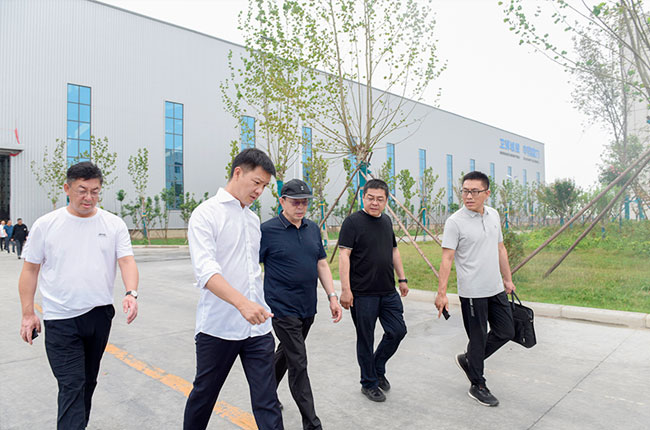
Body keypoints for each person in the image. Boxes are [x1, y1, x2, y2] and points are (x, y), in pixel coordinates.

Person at [18, 161, 139, 429]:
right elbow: (30, 270)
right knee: (72, 384)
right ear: (67, 188)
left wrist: (131, 293)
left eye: (95, 192)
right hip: (60, 318)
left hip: (99, 315)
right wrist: (28, 313)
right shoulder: (46, 224)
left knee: (87, 382)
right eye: (82, 191)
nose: (89, 198)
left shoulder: (113, 224)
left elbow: (127, 261)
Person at [183, 148, 283, 430]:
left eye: (264, 186)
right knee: (204, 396)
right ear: (238, 172)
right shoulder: (206, 214)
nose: (259, 191)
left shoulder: (252, 220)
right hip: (219, 327)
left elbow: (252, 271)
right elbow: (206, 271)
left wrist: (257, 304)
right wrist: (242, 304)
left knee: (267, 400)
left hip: (258, 328)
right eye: (256, 182)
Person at [260, 179, 342, 430]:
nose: (301, 207)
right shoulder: (267, 231)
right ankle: (312, 424)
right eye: (295, 202)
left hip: (307, 307)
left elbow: (321, 263)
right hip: (281, 308)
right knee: (298, 362)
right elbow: (251, 266)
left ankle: (265, 394)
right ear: (282, 201)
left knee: (287, 353)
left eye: (305, 202)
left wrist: (332, 296)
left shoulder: (312, 229)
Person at [435, 170, 515, 407]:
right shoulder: (455, 222)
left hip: (495, 288)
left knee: (506, 331)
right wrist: (441, 293)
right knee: (478, 339)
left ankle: (470, 359)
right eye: (465, 191)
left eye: (474, 191)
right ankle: (478, 384)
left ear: (487, 193)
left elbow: (500, 249)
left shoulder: (493, 215)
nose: (468, 196)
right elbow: (447, 258)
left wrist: (507, 279)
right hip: (472, 292)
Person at [338, 178, 409, 403]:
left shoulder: (386, 221)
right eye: (370, 198)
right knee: (365, 339)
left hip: (388, 290)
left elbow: (394, 251)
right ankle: (369, 383)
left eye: (380, 199)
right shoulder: (352, 222)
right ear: (363, 197)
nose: (375, 203)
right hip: (362, 294)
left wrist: (402, 278)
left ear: (386, 201)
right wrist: (346, 290)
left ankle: (377, 367)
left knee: (397, 331)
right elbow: (344, 255)